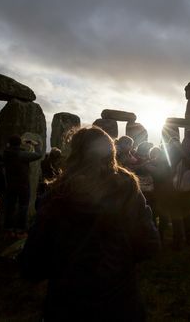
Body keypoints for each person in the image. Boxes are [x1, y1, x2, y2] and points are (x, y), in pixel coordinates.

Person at [19, 126, 160, 321]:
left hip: (68, 305)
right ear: (111, 152)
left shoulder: (55, 196)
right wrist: (119, 260)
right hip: (120, 302)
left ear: (74, 154)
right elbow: (149, 244)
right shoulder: (128, 188)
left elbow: (32, 266)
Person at [3, 134, 43, 239]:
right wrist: (35, 144)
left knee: (10, 207)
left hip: (10, 184)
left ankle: (8, 230)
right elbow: (38, 155)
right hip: (23, 184)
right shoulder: (22, 154)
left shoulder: (6, 153)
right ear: (20, 143)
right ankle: (20, 231)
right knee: (23, 207)